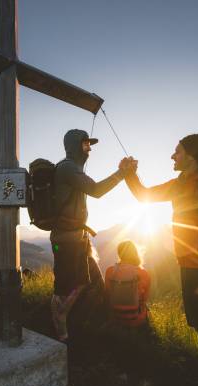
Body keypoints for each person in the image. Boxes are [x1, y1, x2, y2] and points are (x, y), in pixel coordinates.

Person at [120, 134, 198, 386]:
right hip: (188, 271)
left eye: (177, 152)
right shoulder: (178, 185)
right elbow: (145, 196)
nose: (172, 156)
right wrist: (129, 174)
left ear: (192, 156)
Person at [50, 129, 127, 342]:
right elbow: (96, 190)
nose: (90, 148)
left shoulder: (74, 169)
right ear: (75, 145)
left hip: (77, 237)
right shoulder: (67, 168)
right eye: (86, 144)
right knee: (66, 286)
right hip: (66, 240)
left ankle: (90, 321)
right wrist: (122, 173)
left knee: (90, 281)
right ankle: (60, 326)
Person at [104, 240, 151, 327]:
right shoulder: (143, 273)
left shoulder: (110, 271)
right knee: (146, 308)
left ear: (119, 253)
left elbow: (107, 294)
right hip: (136, 319)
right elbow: (145, 299)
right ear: (135, 253)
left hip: (114, 318)